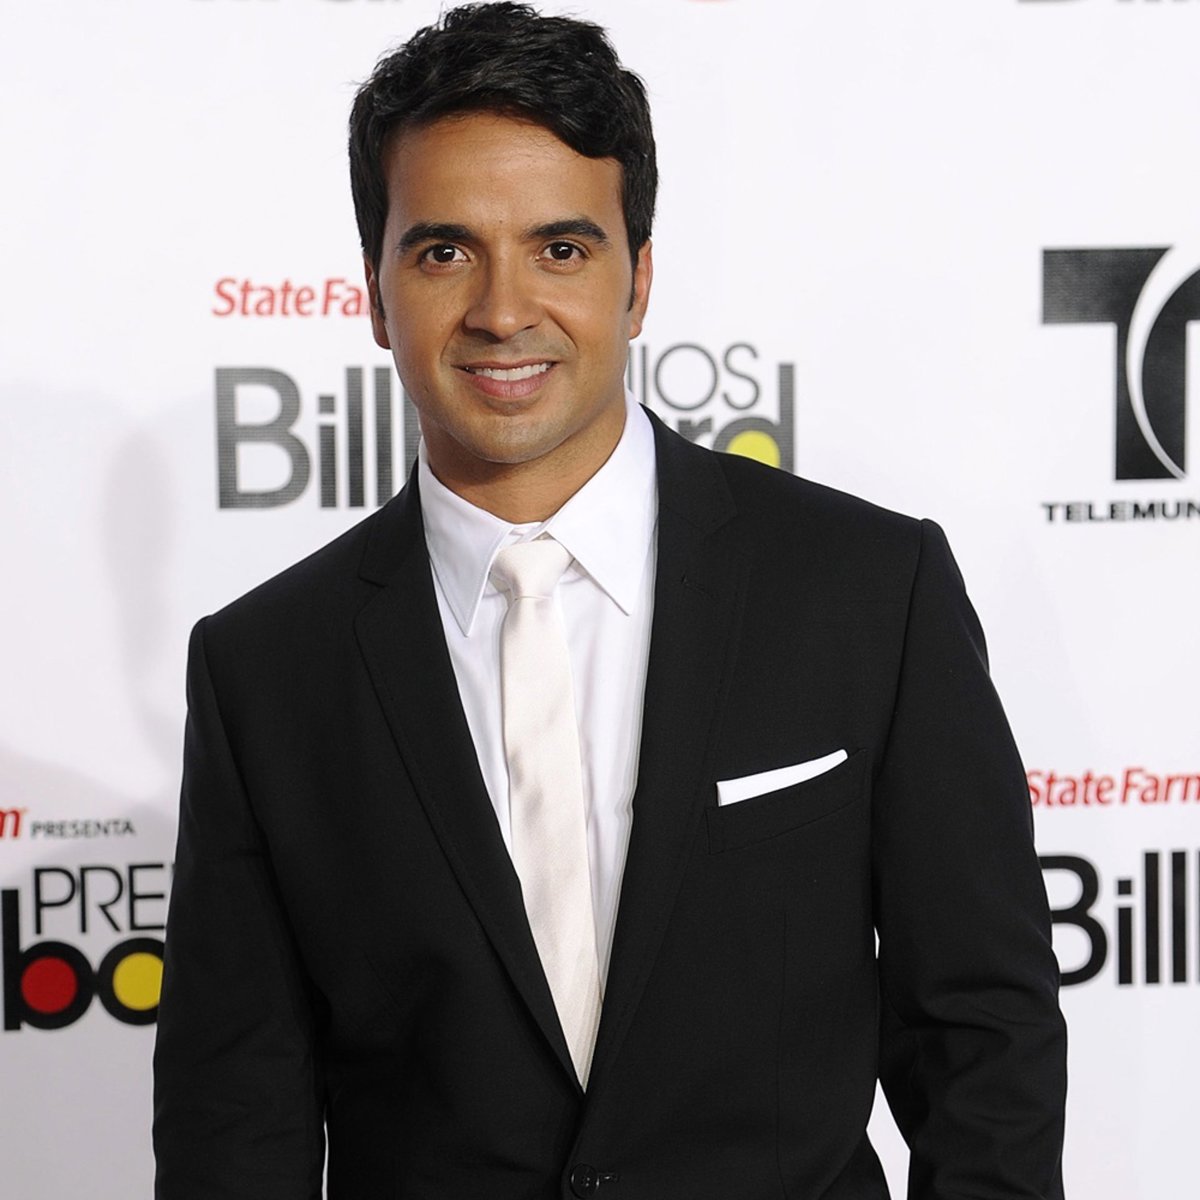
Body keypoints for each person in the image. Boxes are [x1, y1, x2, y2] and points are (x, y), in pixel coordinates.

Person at [152, 4, 1067, 1198]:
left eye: (561, 249)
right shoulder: (266, 669)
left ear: (638, 282)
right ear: (374, 293)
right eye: (444, 252)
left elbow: (983, 1034)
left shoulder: (866, 591)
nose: (502, 311)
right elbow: (235, 1120)